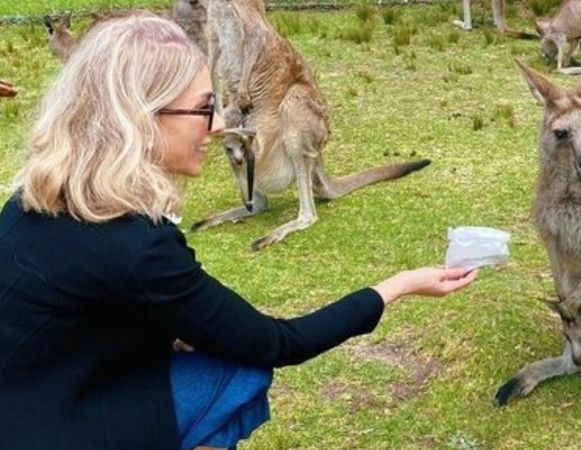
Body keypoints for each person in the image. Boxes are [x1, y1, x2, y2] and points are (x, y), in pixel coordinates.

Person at [0, 14, 478, 450]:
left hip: (31, 394)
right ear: (141, 119)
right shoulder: (138, 247)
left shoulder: (30, 200)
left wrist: (166, 332)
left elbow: (73, 317)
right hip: (50, 430)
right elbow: (276, 342)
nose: (216, 127)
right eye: (205, 109)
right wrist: (398, 285)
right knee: (238, 371)